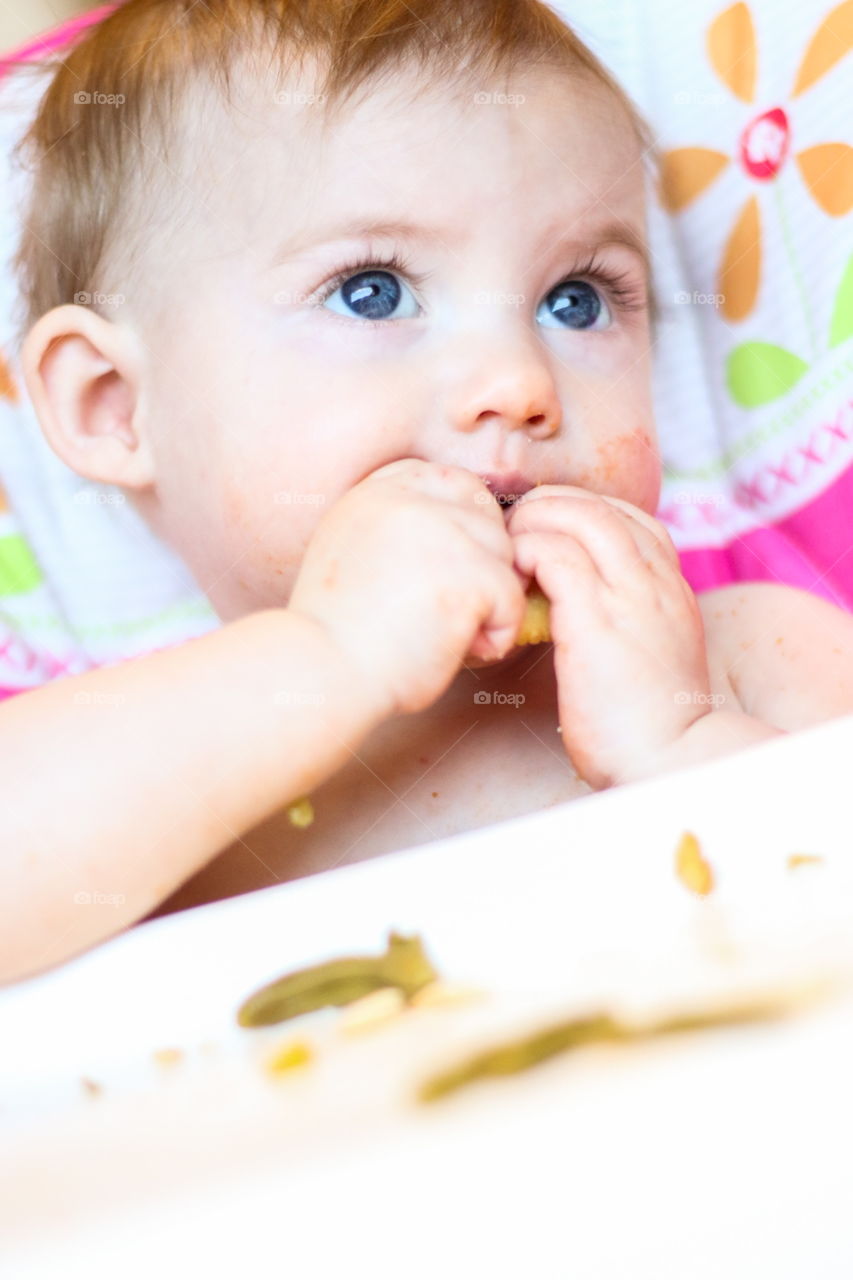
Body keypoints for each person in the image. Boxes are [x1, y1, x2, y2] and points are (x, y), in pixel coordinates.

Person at [2, 0, 852, 984]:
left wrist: (682, 748)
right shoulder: (136, 777)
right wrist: (327, 656)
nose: (518, 383)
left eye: (574, 298)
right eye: (372, 290)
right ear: (117, 406)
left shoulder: (747, 658)